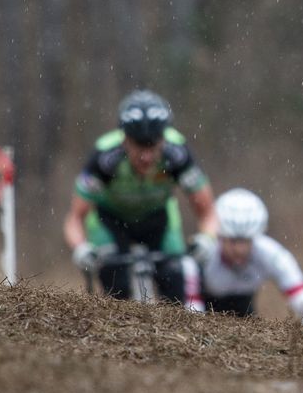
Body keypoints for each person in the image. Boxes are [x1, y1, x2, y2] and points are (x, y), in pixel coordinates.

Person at [64, 89, 218, 304]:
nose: (146, 156)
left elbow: (208, 211)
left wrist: (207, 240)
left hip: (158, 218)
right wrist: (81, 248)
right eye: (138, 145)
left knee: (174, 281)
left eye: (153, 145)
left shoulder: (177, 154)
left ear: (164, 139)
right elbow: (75, 218)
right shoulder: (105, 157)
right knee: (115, 285)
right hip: (109, 220)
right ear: (125, 139)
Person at [194, 187, 303, 326]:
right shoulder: (204, 254)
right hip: (205, 307)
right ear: (220, 236)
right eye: (233, 241)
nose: (239, 249)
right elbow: (190, 309)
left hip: (243, 312)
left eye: (246, 241)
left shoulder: (271, 254)